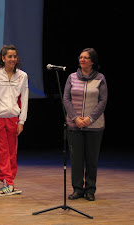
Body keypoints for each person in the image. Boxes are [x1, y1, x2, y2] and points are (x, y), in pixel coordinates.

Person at [63, 48, 108, 201]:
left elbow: (103, 101)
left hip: (94, 126)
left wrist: (90, 118)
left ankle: (90, 190)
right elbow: (66, 99)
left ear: (92, 61)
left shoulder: (100, 78)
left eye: (86, 58)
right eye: (80, 57)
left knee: (91, 159)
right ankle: (77, 189)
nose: (82, 60)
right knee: (76, 159)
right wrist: (75, 118)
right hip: (74, 125)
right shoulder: (72, 77)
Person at [0, 45, 29, 196]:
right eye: (9, 56)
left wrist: (22, 121)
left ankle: (10, 183)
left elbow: (24, 99)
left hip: (14, 118)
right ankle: (8, 182)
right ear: (3, 58)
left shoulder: (22, 76)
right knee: (1, 152)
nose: (13, 59)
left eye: (14, 56)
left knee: (12, 153)